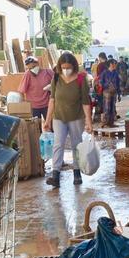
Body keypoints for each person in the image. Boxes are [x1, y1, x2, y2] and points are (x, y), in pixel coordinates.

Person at [44, 52, 94, 187]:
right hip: (59, 117)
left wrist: (89, 122)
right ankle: (55, 175)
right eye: (63, 67)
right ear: (60, 66)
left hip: (76, 118)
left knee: (76, 145)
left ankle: (77, 173)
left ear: (73, 66)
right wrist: (47, 120)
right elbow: (52, 100)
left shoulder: (81, 79)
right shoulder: (56, 78)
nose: (66, 70)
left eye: (68, 67)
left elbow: (85, 102)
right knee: (58, 144)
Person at [17, 55, 55, 119]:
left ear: (37, 64)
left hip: (47, 104)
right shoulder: (28, 74)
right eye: (30, 68)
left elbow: (58, 83)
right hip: (34, 106)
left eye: (33, 67)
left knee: (51, 125)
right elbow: (21, 90)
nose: (32, 70)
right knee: (36, 126)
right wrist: (24, 103)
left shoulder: (48, 72)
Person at [99, 58, 122, 127]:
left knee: (113, 108)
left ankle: (111, 123)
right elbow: (100, 82)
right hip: (106, 92)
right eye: (114, 63)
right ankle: (105, 122)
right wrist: (107, 85)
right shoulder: (104, 73)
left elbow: (118, 84)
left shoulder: (116, 73)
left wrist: (119, 94)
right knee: (107, 107)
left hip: (114, 92)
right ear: (111, 64)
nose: (115, 65)